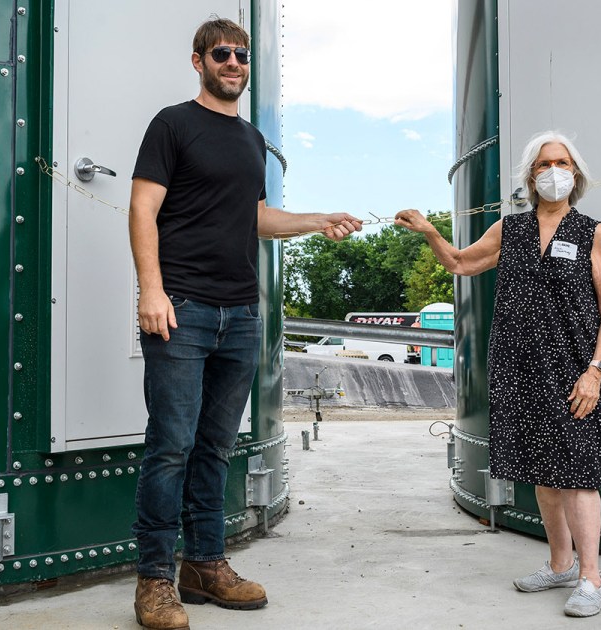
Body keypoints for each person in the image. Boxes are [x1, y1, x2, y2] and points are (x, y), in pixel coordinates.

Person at [128, 18, 362, 630]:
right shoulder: (172, 124)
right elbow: (142, 207)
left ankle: (204, 564)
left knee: (215, 446)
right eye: (223, 53)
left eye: (243, 54)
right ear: (199, 60)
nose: (235, 62)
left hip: (241, 313)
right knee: (170, 446)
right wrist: (151, 290)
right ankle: (154, 580)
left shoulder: (252, 139)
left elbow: (254, 217)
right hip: (182, 308)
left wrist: (316, 221)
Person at [395, 131, 601, 618]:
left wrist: (595, 371)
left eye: (562, 162)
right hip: (521, 369)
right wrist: (430, 231)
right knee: (544, 473)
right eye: (543, 165)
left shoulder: (591, 232)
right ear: (531, 176)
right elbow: (459, 262)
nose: (553, 171)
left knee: (579, 473)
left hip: (575, 372)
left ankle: (591, 577)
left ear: (575, 174)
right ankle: (561, 564)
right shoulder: (510, 230)